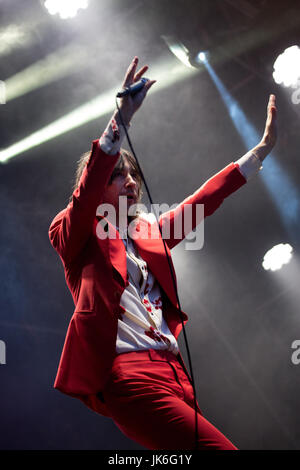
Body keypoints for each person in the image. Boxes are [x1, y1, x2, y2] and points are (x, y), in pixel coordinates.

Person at [49, 57, 277, 450]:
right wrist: (122, 117)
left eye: (133, 174)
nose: (131, 182)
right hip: (130, 375)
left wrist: (259, 153)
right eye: (119, 175)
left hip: (174, 372)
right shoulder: (74, 234)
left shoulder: (147, 233)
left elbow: (202, 202)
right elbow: (85, 195)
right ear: (100, 182)